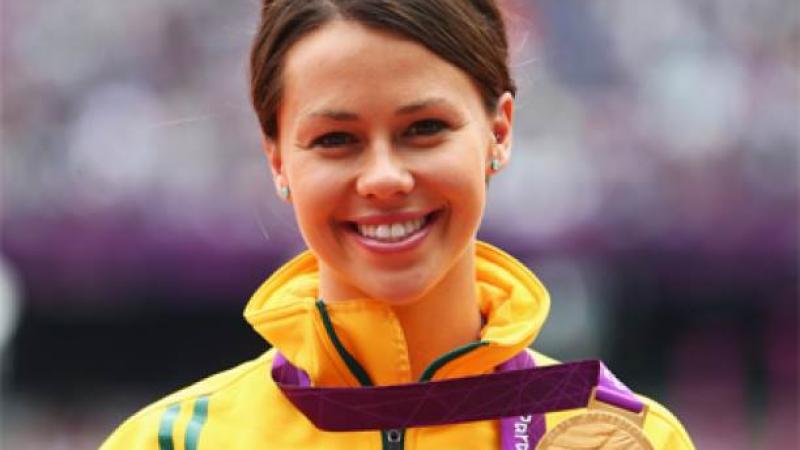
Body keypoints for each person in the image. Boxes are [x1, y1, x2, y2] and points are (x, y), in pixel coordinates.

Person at [101, 1, 694, 449]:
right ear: (278, 158)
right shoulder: (170, 442)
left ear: (499, 132)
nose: (383, 178)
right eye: (336, 139)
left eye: (425, 128)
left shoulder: (622, 438)